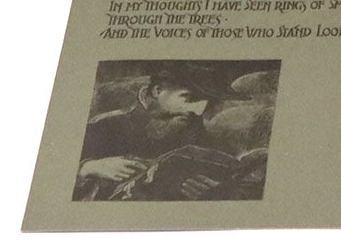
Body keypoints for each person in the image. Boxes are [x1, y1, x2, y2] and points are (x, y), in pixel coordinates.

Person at [75, 64, 243, 201]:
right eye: (189, 98)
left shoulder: (199, 131)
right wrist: (89, 167)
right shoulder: (104, 126)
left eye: (207, 104)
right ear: (157, 90)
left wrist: (216, 191)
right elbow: (63, 186)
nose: (198, 111)